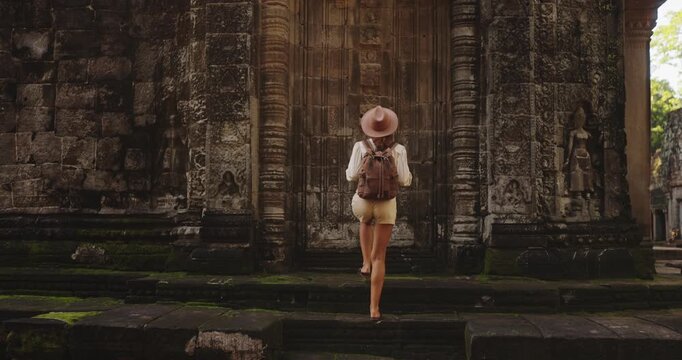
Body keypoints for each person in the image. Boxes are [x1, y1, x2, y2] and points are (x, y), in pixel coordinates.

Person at [345, 105, 412, 321]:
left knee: (365, 220)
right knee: (380, 257)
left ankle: (365, 262)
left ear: (369, 128)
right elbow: (404, 179)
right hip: (386, 204)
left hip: (363, 201)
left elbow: (351, 176)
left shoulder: (360, 146)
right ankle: (374, 309)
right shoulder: (398, 149)